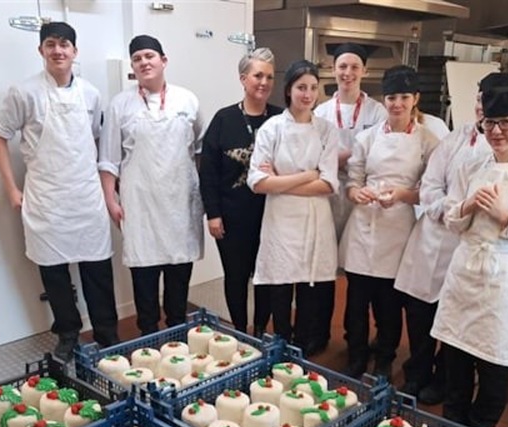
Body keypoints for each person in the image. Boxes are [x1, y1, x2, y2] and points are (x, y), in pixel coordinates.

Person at [396, 71, 508, 405]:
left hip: (502, 265)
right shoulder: (466, 153)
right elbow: (435, 189)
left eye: (504, 122)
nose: (495, 130)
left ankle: (477, 413)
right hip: (457, 251)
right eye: (489, 120)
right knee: (441, 327)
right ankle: (430, 380)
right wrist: (460, 209)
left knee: (491, 350)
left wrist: (506, 217)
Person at [0, 22, 119, 362]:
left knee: (98, 272)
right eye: (51, 44)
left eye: (65, 44)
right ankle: (68, 333)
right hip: (46, 197)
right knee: (54, 272)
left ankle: (107, 334)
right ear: (41, 51)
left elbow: (93, 138)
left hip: (85, 195)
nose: (58, 50)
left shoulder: (91, 94)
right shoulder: (24, 92)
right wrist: (11, 189)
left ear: (75, 51)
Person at [99, 35, 204, 336]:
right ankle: (148, 338)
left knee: (178, 278)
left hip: (180, 203)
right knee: (144, 279)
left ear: (163, 60)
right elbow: (108, 160)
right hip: (139, 205)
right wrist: (111, 201)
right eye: (137, 58)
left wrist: (203, 198)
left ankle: (177, 335)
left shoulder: (188, 100)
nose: (144, 62)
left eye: (149, 56)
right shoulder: (120, 104)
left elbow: (199, 151)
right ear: (132, 66)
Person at [340, 65, 438, 379]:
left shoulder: (428, 141)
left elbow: (432, 190)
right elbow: (352, 180)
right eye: (391, 97)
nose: (396, 104)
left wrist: (403, 194)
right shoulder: (368, 137)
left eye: (404, 97)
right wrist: (358, 193)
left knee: (389, 304)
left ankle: (384, 357)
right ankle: (356, 355)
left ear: (415, 99)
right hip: (363, 226)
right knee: (356, 302)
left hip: (399, 230)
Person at [247, 60, 339, 355]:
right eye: (301, 87)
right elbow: (258, 182)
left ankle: (304, 344)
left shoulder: (326, 130)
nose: (308, 94)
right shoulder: (272, 128)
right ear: (288, 91)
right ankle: (281, 342)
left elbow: (328, 184)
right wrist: (307, 175)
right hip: (281, 221)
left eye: (313, 88)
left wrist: (281, 179)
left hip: (315, 222)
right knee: (280, 283)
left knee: (310, 288)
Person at [199, 48, 283, 336]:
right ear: (243, 79)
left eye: (269, 76)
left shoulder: (281, 119)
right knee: (236, 277)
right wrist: (213, 214)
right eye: (258, 75)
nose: (264, 82)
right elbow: (207, 172)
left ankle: (260, 330)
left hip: (272, 217)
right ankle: (238, 330)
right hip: (232, 217)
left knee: (266, 278)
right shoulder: (224, 119)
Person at [314, 43, 387, 240]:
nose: (348, 72)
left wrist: (338, 158)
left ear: (365, 71)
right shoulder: (321, 112)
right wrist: (355, 154)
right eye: (343, 66)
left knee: (354, 251)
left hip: (363, 191)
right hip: (327, 191)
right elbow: (314, 159)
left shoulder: (377, 111)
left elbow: (379, 154)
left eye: (355, 67)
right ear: (333, 69)